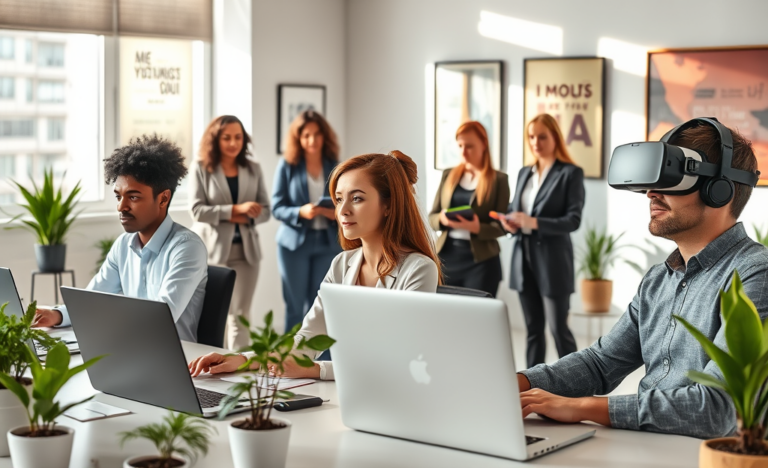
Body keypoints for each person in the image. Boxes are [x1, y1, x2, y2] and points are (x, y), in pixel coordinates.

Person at [515, 120, 768, 439]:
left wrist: (583, 408)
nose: (651, 193)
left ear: (719, 190)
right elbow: (599, 363)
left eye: (672, 178)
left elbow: (718, 410)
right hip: (645, 442)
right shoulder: (658, 280)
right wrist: (517, 383)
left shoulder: (755, 273)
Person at [189, 151, 441, 380]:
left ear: (388, 205)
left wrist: (317, 369)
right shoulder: (342, 264)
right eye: (339, 199)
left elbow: (398, 359)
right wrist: (244, 360)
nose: (343, 210)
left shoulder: (419, 269)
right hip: (349, 392)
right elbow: (306, 338)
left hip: (395, 393)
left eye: (357, 198)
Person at [33, 135, 208, 342]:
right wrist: (57, 315)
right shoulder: (123, 245)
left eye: (133, 197)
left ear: (163, 198)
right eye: (118, 196)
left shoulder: (187, 248)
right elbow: (93, 299)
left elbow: (161, 319)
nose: (121, 207)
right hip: (128, 350)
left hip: (177, 358)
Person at [499, 113, 584, 368]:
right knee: (533, 330)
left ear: (555, 138)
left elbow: (573, 220)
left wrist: (533, 222)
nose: (535, 142)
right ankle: (532, 384)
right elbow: (515, 208)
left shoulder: (570, 173)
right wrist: (510, 223)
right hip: (523, 258)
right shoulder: (525, 172)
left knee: (559, 329)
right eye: (531, 136)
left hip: (553, 262)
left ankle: (576, 384)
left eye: (542, 136)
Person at [189, 115, 271, 350]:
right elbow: (197, 211)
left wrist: (250, 214)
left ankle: (238, 368)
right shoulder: (201, 168)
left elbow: (266, 210)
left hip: (247, 252)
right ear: (215, 139)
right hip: (213, 251)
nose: (233, 143)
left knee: (241, 315)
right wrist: (234, 210)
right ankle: (212, 364)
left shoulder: (253, 168)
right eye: (227, 138)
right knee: (215, 315)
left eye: (238, 137)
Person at [272, 110, 343, 332]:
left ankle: (323, 363)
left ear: (324, 136)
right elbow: (277, 207)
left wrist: (337, 214)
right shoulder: (288, 165)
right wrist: (300, 212)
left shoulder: (335, 164)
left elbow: (345, 201)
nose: (312, 140)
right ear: (298, 138)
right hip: (294, 245)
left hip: (327, 243)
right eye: (306, 135)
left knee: (323, 306)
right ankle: (287, 362)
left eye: (317, 134)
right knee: (295, 307)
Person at [428, 121, 509, 297]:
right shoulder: (448, 175)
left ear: (484, 144)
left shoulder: (499, 180)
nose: (463, 152)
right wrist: (442, 220)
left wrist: (477, 228)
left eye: (469, 146)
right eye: (460, 146)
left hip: (481, 262)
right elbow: (431, 217)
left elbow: (503, 226)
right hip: (447, 258)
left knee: (478, 317)